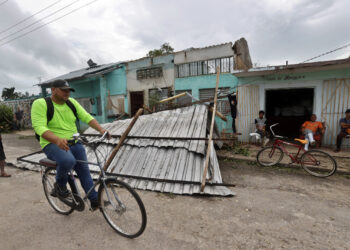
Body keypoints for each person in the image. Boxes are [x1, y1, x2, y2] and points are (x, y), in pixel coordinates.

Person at [31, 79, 109, 210]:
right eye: (63, 90)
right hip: (51, 143)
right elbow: (39, 127)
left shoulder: (71, 103)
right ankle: (59, 187)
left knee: (84, 171)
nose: (67, 93)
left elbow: (86, 117)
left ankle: (95, 200)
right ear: (53, 90)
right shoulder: (40, 103)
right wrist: (56, 140)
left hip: (74, 142)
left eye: (68, 90)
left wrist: (101, 130)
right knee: (68, 161)